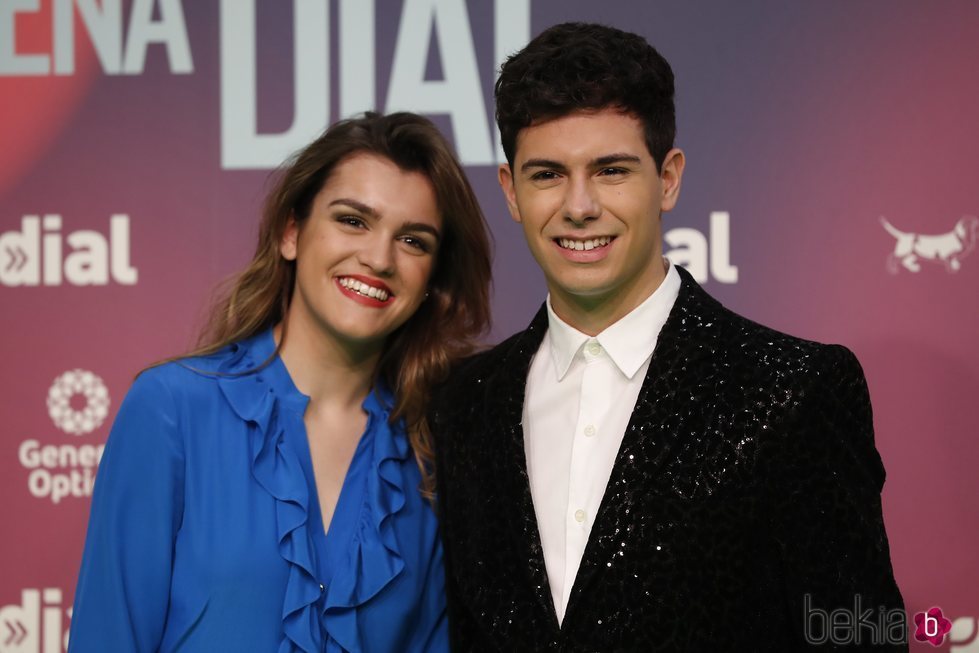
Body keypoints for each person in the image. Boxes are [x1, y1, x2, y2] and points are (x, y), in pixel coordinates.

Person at [432, 22, 906, 651]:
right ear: (509, 190)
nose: (578, 206)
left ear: (669, 178)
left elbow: (863, 635)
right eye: (547, 174)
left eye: (611, 170)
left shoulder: (794, 391)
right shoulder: (467, 404)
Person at [68, 112, 491, 653]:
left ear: (433, 277)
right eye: (353, 221)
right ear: (292, 232)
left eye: (413, 240)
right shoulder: (171, 409)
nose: (379, 258)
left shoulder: (430, 449)